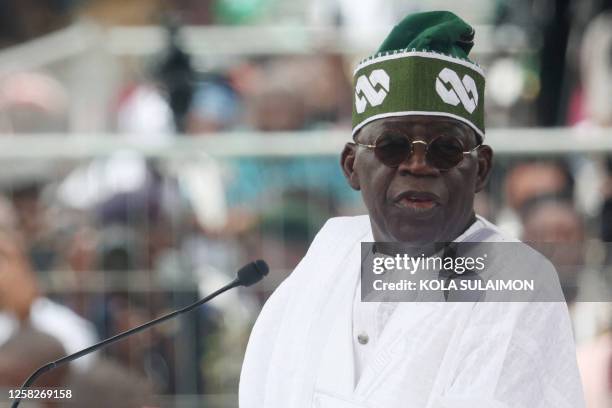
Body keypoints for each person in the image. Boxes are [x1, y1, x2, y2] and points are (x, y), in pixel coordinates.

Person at [239, 11, 585, 408]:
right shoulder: (331, 252)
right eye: (391, 146)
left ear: (481, 169)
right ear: (351, 165)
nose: (418, 165)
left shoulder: (515, 281)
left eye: (446, 150)